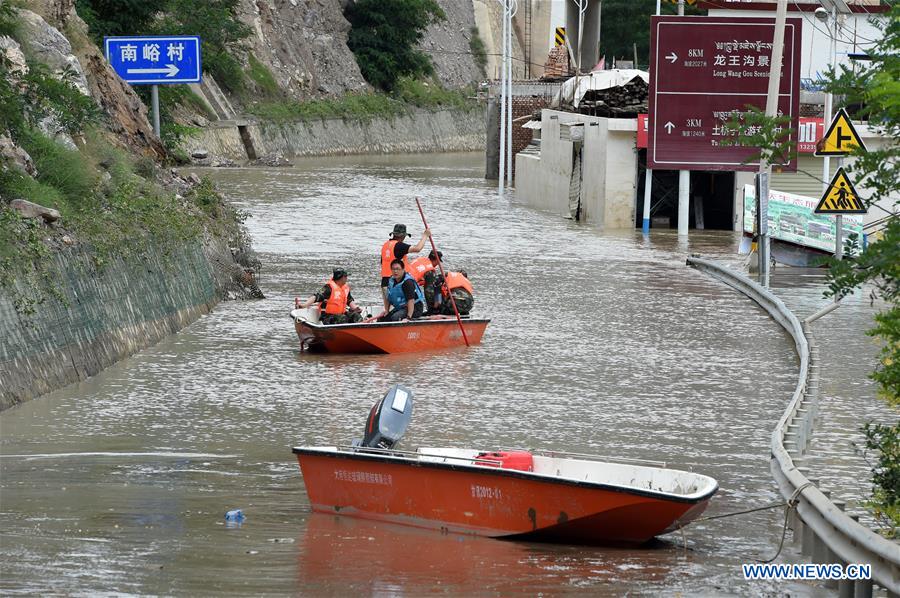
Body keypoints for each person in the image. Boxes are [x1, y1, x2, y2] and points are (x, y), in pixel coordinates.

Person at [380, 223, 430, 311]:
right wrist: (425, 236)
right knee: (404, 307)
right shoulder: (399, 246)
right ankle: (408, 317)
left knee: (387, 312)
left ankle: (387, 313)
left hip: (384, 282)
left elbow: (382, 262)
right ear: (403, 236)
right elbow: (417, 248)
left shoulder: (385, 245)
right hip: (395, 283)